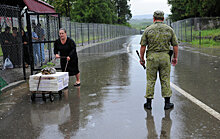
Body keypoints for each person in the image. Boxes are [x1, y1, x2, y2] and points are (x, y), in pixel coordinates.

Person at [140, 10, 178, 110]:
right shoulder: (169, 30)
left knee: (150, 80)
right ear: (163, 19)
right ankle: (167, 103)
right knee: (165, 79)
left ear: (153, 18)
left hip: (152, 58)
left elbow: (143, 46)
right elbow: (175, 45)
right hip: (165, 58)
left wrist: (142, 58)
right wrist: (175, 57)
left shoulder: (148, 29)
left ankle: (148, 104)